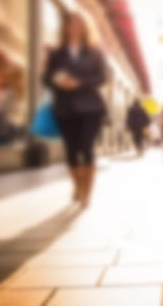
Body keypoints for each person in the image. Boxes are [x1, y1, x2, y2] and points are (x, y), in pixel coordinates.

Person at [42, 12, 108, 208]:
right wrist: (58, 81)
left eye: (79, 24)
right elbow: (45, 79)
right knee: (71, 150)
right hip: (65, 107)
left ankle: (87, 192)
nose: (74, 27)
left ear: (85, 28)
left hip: (91, 107)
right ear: (65, 28)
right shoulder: (56, 53)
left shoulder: (95, 52)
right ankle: (78, 185)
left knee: (87, 147)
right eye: (70, 24)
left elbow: (102, 78)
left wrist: (78, 84)